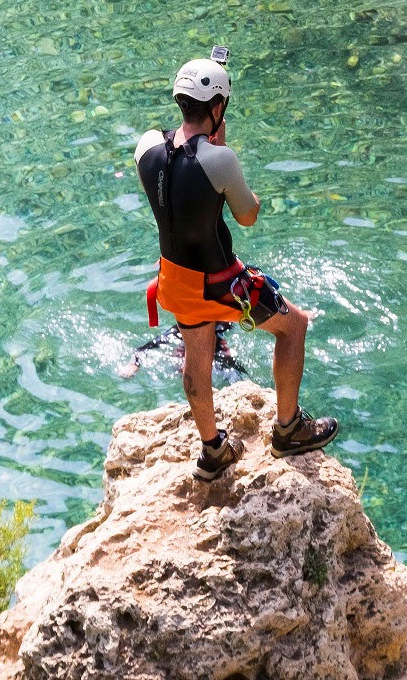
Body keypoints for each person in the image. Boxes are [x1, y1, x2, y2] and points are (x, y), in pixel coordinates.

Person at [134, 55, 338, 482]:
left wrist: (205, 147)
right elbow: (248, 216)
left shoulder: (147, 147)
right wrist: (219, 151)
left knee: (197, 356)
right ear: (218, 108)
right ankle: (288, 430)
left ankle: (213, 451)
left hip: (175, 279)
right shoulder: (219, 161)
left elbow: (178, 182)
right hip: (220, 283)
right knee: (294, 325)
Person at [117, 322, 247, 381]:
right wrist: (134, 365)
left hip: (215, 335)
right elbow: (142, 349)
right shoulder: (178, 330)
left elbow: (235, 367)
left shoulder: (222, 328)